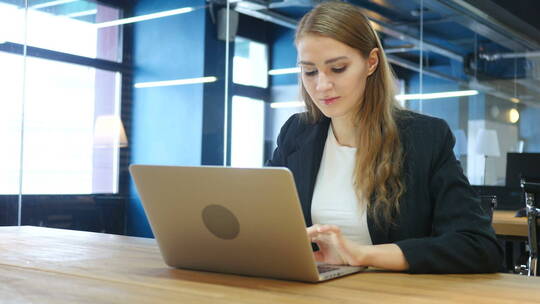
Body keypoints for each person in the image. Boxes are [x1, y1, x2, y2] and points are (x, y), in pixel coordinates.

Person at [266, 1, 503, 274]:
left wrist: (361, 254)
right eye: (309, 71)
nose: (321, 85)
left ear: (371, 62)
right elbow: (267, 222)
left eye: (338, 68)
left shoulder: (424, 137)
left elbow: (479, 246)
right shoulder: (296, 133)